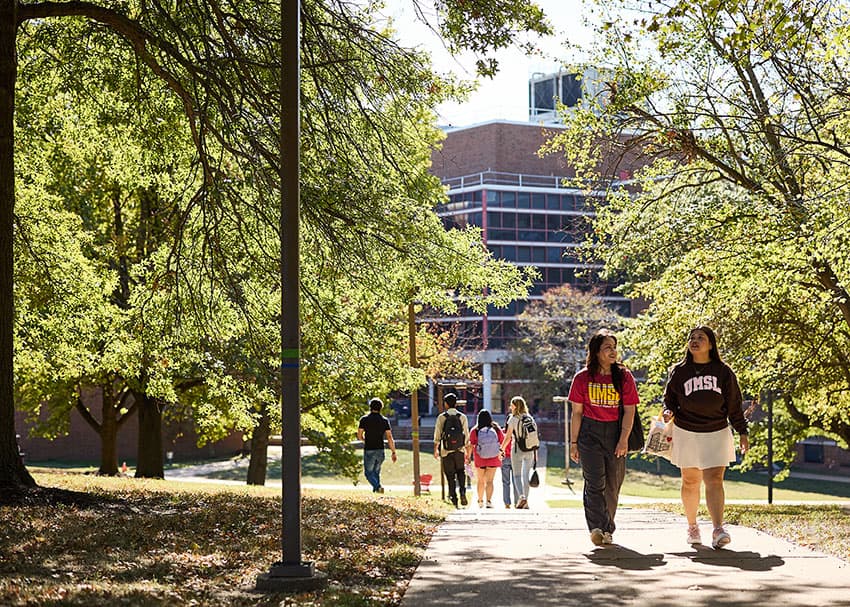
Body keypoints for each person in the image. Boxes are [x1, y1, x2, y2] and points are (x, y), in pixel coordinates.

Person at [662, 326, 749, 549]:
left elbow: (734, 405)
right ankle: (692, 527)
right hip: (687, 431)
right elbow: (669, 400)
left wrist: (742, 432)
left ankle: (718, 529)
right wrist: (667, 411)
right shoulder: (679, 371)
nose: (695, 340)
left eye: (701, 338)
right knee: (690, 481)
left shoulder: (723, 371)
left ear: (711, 345)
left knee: (714, 479)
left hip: (717, 431)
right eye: (692, 337)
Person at [568, 329, 639, 546]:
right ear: (596, 352)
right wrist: (573, 443)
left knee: (613, 483)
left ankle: (608, 528)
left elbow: (629, 410)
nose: (613, 351)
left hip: (616, 432)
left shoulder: (624, 376)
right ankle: (597, 527)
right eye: (607, 347)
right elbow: (577, 413)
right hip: (590, 433)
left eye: (614, 347)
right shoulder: (582, 378)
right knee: (594, 481)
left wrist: (623, 439)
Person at [433, 392, 470, 508]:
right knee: (461, 472)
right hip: (460, 450)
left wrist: (436, 449)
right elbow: (466, 435)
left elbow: (437, 435)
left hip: (446, 451)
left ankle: (454, 498)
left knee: (450, 475)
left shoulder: (441, 417)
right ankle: (463, 491)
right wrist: (467, 451)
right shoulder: (462, 417)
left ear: (446, 404)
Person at [499, 396, 535, 509]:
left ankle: (522, 497)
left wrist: (502, 449)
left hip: (517, 450)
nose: (510, 407)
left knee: (517, 475)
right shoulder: (529, 418)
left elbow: (508, 436)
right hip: (530, 450)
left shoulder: (513, 419)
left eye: (512, 405)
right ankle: (526, 502)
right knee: (526, 476)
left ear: (515, 406)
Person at [357, 397, 397, 493]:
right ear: (381, 408)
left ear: (370, 407)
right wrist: (393, 452)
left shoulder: (364, 419)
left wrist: (364, 441)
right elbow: (389, 437)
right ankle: (377, 491)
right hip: (380, 449)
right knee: (376, 472)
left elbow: (359, 435)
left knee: (368, 473)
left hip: (369, 449)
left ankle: (378, 487)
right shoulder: (384, 420)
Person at [467, 409, 505, 508]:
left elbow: (471, 444)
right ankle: (488, 501)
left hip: (480, 458)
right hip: (493, 457)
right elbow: (502, 440)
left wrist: (468, 457)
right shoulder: (496, 428)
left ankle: (480, 501)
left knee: (480, 480)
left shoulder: (475, 430)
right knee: (490, 481)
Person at [500, 405, 519, 508]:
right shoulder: (517, 434)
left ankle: (507, 503)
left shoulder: (502, 432)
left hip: (504, 458)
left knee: (505, 482)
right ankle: (517, 501)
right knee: (516, 480)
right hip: (515, 458)